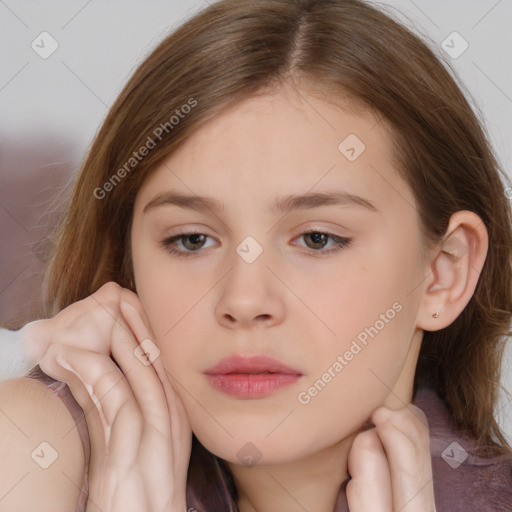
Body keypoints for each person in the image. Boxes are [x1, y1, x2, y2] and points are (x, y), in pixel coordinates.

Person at [1, 0, 511, 510]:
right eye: (191, 240)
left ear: (443, 272)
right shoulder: (31, 449)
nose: (245, 301)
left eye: (317, 238)